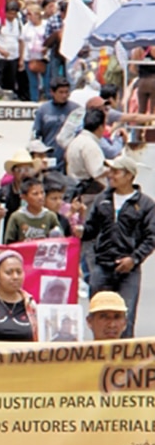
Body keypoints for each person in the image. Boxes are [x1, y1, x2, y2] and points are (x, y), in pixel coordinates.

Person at [83, 155, 155, 338]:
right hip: (102, 266)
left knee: (125, 317)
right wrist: (79, 228)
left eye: (116, 171)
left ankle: (125, 362)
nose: (110, 175)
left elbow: (151, 237)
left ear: (129, 175)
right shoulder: (102, 200)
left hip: (129, 270)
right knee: (98, 316)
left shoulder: (145, 204)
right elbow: (90, 230)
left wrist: (134, 258)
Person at [32, 77, 78, 170]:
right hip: (49, 159)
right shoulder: (43, 110)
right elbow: (36, 135)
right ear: (52, 92)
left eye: (66, 92)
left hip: (68, 159)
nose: (64, 95)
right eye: (61, 92)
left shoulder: (75, 111)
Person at [4, 178, 62, 243]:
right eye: (35, 194)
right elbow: (9, 241)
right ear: (24, 197)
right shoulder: (16, 217)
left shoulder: (50, 216)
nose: (40, 197)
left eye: (42, 193)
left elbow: (60, 239)